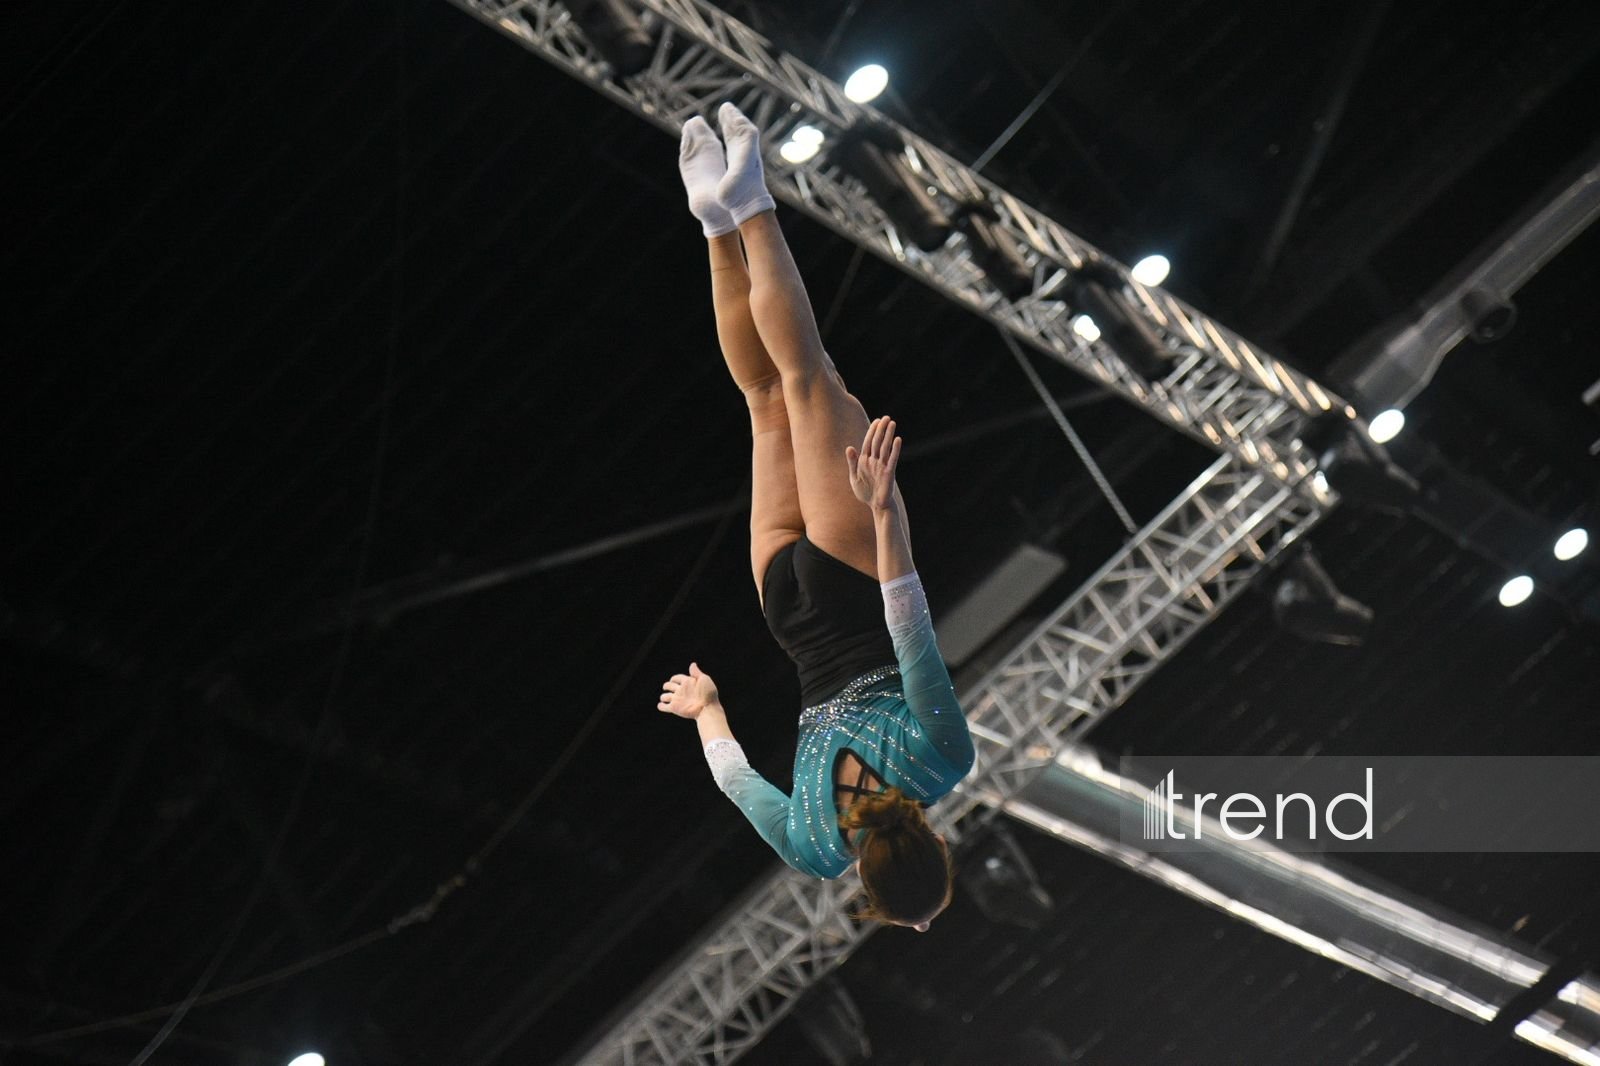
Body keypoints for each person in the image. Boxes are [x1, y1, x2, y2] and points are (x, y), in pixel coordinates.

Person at [655, 104, 975, 932]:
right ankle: (712, 217)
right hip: (786, 610)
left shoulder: (943, 763)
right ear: (868, 882)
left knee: (805, 379)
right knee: (764, 399)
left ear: (937, 844)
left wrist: (885, 513)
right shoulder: (814, 849)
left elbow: (910, 632)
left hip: (851, 580)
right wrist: (707, 707)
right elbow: (735, 779)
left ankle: (750, 201)